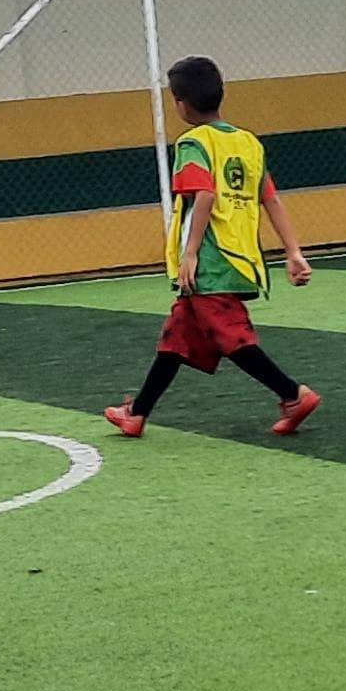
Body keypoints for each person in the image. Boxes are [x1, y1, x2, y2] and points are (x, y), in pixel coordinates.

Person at [105, 57, 318, 439]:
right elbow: (270, 198)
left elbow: (204, 194)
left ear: (180, 102)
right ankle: (136, 413)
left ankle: (292, 394)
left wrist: (189, 254)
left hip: (210, 260)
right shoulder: (248, 142)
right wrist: (293, 252)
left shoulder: (193, 143)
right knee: (177, 336)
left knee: (231, 336)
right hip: (240, 258)